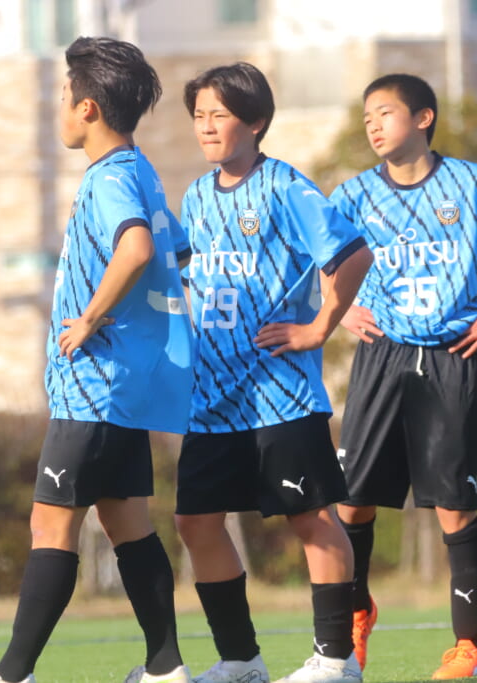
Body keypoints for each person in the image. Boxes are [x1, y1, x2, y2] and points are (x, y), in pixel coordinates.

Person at [0, 36, 194, 683]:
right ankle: (165, 668)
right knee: (127, 522)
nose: (60, 108)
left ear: (88, 108)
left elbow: (138, 246)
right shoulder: (141, 169)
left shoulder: (109, 179)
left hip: (93, 384)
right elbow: (177, 250)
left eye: (64, 96)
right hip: (125, 383)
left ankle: (11, 674)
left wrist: (92, 317)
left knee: (50, 524)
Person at [330, 73, 477, 680]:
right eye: (367, 116)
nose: (373, 125)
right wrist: (340, 309)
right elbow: (313, 259)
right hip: (382, 356)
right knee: (351, 502)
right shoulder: (352, 195)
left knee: (454, 506)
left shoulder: (472, 184)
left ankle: (470, 649)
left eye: (385, 113)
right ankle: (356, 612)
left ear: (423, 118)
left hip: (452, 355)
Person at [173, 64, 372, 683]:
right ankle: (241, 661)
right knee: (194, 523)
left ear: (256, 122)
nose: (206, 127)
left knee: (311, 519)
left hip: (279, 393)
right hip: (211, 398)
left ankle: (336, 661)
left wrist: (319, 329)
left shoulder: (285, 185)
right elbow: (189, 281)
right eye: (199, 115)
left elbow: (353, 255)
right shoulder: (195, 196)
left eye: (219, 115)